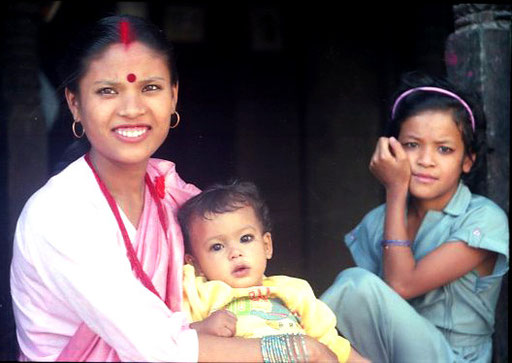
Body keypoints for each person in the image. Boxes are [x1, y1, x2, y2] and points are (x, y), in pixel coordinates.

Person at [10, 15, 338, 362]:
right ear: (75, 103)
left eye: (150, 87)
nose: (131, 109)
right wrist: (300, 350)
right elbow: (159, 348)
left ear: (173, 96)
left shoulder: (171, 194)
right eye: (107, 90)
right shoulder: (60, 213)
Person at [320, 72, 509, 363]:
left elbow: (401, 285)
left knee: (352, 284)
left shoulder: (483, 218)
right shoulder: (378, 220)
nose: (425, 160)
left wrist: (395, 187)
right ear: (391, 149)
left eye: (444, 149)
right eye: (411, 145)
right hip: (389, 356)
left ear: (467, 160)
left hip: (454, 358)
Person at [177, 180, 369, 362]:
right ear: (196, 264)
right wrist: (201, 328)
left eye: (245, 239)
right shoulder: (199, 293)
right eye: (217, 247)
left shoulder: (293, 290)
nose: (235, 253)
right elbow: (173, 339)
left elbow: (332, 343)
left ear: (266, 245)